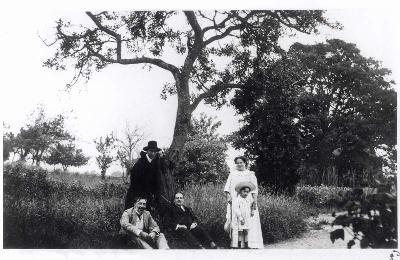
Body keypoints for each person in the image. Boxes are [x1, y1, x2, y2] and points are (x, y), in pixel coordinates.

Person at [224, 156, 264, 249]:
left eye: (241, 162)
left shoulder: (250, 174)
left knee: (250, 221)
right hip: (235, 201)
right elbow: (227, 188)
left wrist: (254, 201)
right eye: (237, 163)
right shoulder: (232, 174)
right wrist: (228, 197)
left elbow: (254, 190)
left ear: (245, 163)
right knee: (236, 221)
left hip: (248, 201)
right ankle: (235, 244)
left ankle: (251, 243)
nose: (239, 164)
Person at [124, 141, 161, 210]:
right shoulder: (140, 163)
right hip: (136, 195)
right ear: (147, 151)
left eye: (155, 151)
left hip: (148, 196)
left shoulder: (156, 163)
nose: (153, 153)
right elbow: (135, 183)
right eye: (151, 151)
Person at [233, 182, 256, 249]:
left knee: (246, 231)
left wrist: (252, 211)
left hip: (247, 217)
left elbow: (252, 204)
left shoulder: (248, 199)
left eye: (247, 192)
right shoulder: (238, 199)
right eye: (244, 191)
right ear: (240, 191)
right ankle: (239, 245)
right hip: (241, 218)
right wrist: (240, 218)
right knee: (240, 231)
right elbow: (236, 209)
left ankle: (246, 245)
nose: (246, 193)